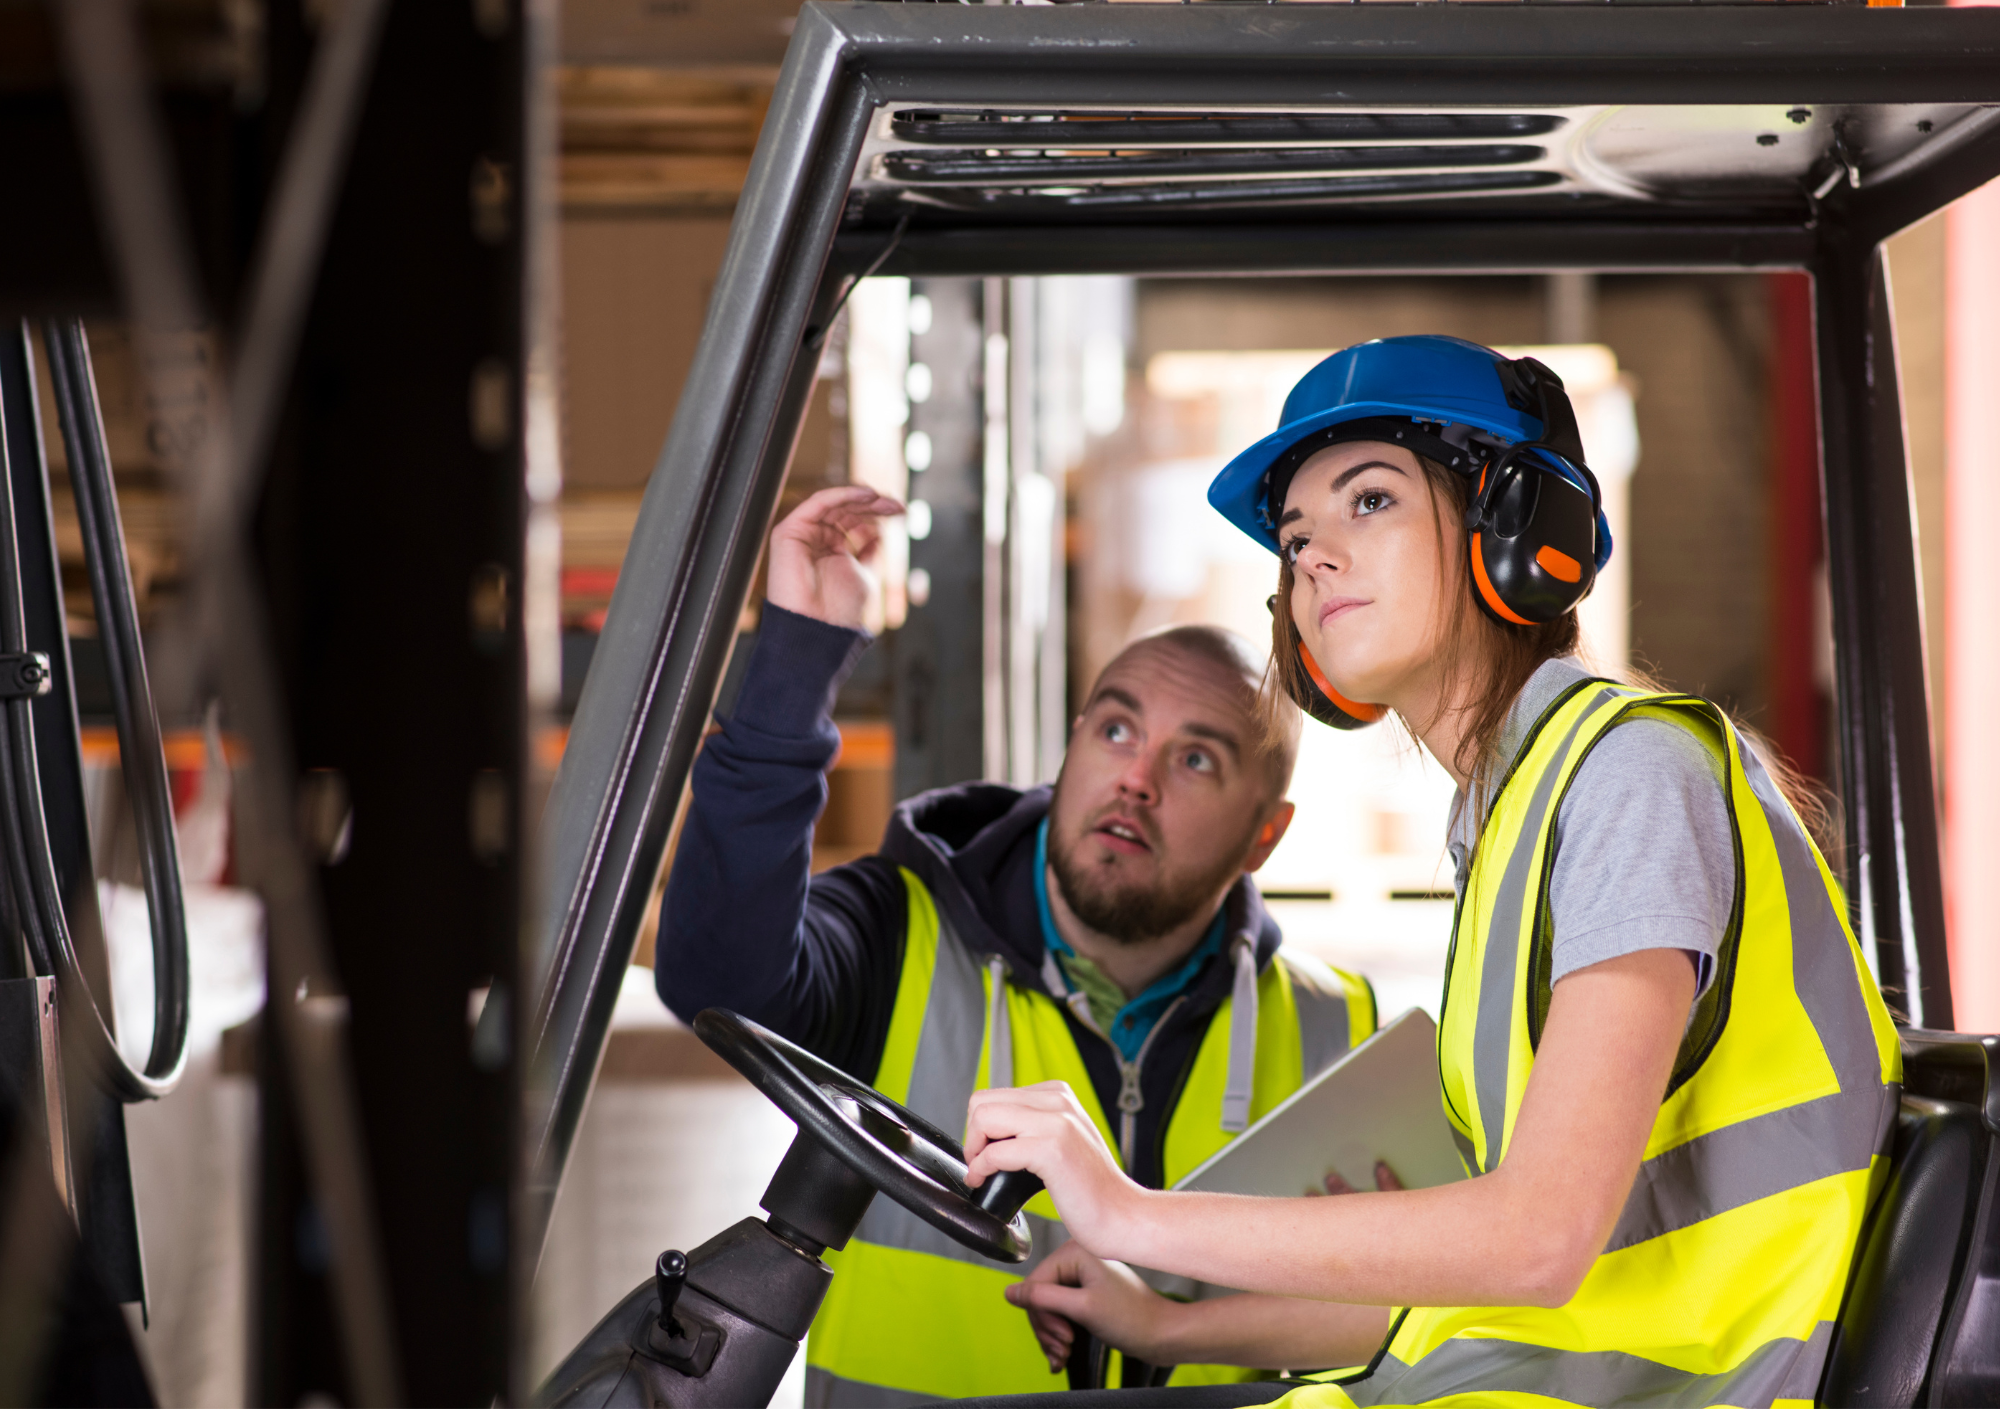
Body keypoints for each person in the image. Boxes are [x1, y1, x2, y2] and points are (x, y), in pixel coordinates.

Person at [960, 335, 1900, 1409]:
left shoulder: (1629, 773)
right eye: (1295, 535)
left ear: (1516, 529)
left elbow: (1537, 1241)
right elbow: (1466, 1276)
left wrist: (1127, 1211)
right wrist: (1171, 1320)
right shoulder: (1512, 813)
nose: (1311, 556)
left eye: (1367, 501)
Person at [656, 485, 1378, 1407]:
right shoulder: (896, 933)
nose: (1136, 780)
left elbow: (1395, 1346)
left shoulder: (1336, 1031)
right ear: (1072, 746)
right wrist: (798, 656)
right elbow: (715, 979)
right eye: (1115, 730)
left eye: (1196, 759)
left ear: (1262, 837)